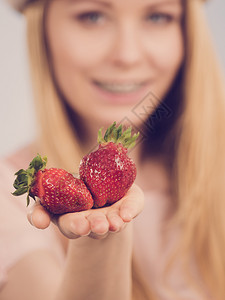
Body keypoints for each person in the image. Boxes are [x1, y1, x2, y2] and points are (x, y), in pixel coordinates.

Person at [1, 0, 225, 299]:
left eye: (158, 16)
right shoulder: (11, 196)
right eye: (92, 16)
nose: (127, 55)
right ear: (42, 31)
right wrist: (99, 232)